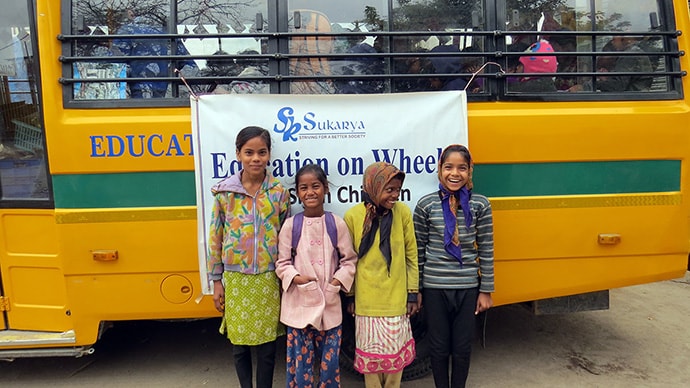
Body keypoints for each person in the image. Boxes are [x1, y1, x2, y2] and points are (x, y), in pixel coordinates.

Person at [207, 126, 290, 388]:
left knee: (267, 346)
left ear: (269, 156)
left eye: (262, 152)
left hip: (268, 278)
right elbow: (215, 238)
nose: (256, 158)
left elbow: (286, 237)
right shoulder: (224, 194)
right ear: (238, 155)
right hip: (236, 279)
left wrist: (284, 276)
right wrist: (217, 280)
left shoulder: (278, 193)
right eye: (249, 152)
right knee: (239, 345)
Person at [413, 144, 495, 388]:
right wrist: (415, 290)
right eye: (448, 167)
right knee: (438, 347)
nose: (454, 173)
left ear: (470, 171)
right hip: (435, 287)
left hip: (468, 287)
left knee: (461, 348)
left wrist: (486, 290)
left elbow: (487, 248)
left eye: (462, 168)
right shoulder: (426, 205)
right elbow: (418, 251)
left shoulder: (480, 205)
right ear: (440, 170)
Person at [275, 164, 358, 387]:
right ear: (298, 193)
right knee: (300, 366)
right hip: (299, 305)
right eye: (304, 187)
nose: (310, 192)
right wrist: (296, 278)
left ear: (326, 189)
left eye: (315, 186)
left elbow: (349, 260)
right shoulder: (291, 226)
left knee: (329, 365)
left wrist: (336, 282)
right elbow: (282, 263)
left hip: (329, 306)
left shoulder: (336, 224)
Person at [343, 161, 420, 388]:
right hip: (367, 304)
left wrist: (413, 293)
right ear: (373, 187)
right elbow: (349, 260)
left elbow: (411, 255)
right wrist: (350, 296)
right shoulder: (353, 216)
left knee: (395, 363)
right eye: (389, 189)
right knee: (372, 362)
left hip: (396, 302)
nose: (395, 195)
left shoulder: (403, 213)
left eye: (397, 189)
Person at [113, 9, 196, 98]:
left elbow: (115, 63)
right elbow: (191, 66)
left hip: (138, 96)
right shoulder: (174, 34)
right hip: (171, 95)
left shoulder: (127, 31)